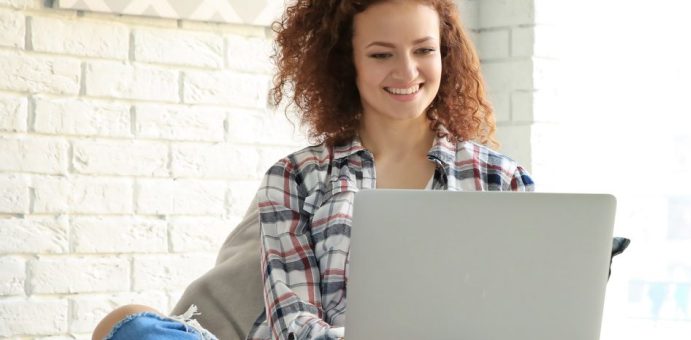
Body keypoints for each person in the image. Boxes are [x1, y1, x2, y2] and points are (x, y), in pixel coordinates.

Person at [92, 0, 532, 339]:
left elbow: (529, 308)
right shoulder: (295, 179)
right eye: (381, 55)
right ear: (348, 63)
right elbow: (292, 321)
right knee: (130, 325)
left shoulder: (499, 178)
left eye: (424, 50)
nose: (407, 70)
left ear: (445, 54)